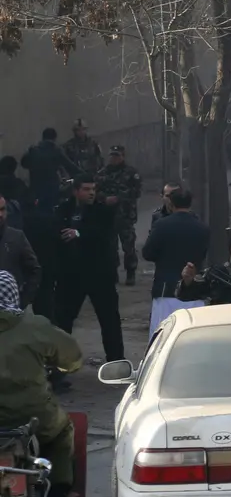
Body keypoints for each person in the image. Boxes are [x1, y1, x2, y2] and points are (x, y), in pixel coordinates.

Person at [0, 270, 83, 497]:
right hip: (32, 417)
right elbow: (72, 357)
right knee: (62, 431)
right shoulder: (33, 326)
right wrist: (66, 366)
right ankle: (57, 495)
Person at [53, 175, 125, 362]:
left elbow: (104, 234)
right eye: (86, 189)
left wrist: (79, 233)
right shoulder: (63, 210)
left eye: (93, 189)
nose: (91, 192)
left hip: (100, 274)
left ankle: (116, 362)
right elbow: (55, 233)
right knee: (63, 321)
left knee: (109, 320)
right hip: (71, 275)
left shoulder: (103, 211)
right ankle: (60, 365)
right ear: (76, 191)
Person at [142, 188, 208, 338]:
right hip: (193, 291)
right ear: (190, 204)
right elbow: (202, 255)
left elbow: (148, 253)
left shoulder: (161, 225)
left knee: (162, 337)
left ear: (171, 204)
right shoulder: (202, 228)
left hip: (166, 288)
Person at [95, 145, 142, 286]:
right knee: (110, 247)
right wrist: (104, 199)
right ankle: (112, 273)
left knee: (128, 245)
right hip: (107, 217)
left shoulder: (131, 173)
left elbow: (137, 191)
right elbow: (94, 191)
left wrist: (119, 197)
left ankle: (130, 272)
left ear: (123, 156)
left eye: (117, 156)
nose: (114, 158)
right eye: (112, 155)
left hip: (126, 215)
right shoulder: (102, 173)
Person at [21, 127, 79, 213]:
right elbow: (70, 166)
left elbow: (23, 164)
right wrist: (85, 176)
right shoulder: (56, 150)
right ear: (54, 138)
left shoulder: (34, 150)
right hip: (51, 187)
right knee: (51, 211)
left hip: (36, 187)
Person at [0, 196, 40, 310]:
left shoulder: (17, 237)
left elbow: (34, 270)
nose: (0, 215)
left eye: (3, 209)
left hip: (10, 311)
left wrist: (22, 300)